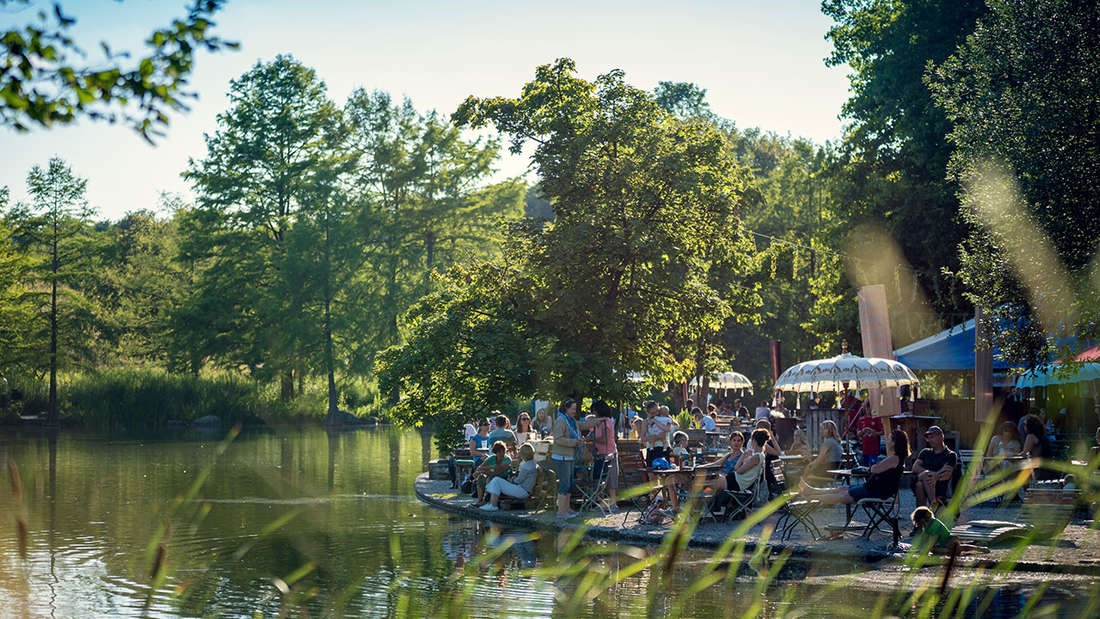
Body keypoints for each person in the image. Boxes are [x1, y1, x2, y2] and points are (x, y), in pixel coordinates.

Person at [799, 429, 910, 505]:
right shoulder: (896, 457)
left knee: (842, 495)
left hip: (876, 491)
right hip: (873, 488)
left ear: (895, 442)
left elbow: (875, 469)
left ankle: (811, 496)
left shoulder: (894, 458)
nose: (887, 441)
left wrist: (874, 467)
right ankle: (812, 490)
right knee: (842, 488)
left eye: (890, 439)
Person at [550, 398, 598, 518]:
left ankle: (567, 508)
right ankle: (561, 512)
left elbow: (583, 425)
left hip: (569, 457)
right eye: (573, 409)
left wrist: (598, 420)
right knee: (565, 484)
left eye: (575, 409)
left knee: (570, 483)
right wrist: (574, 442)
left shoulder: (571, 420)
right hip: (561, 457)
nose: (574, 411)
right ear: (566, 408)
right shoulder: (561, 420)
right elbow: (558, 439)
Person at [480, 443, 538, 511]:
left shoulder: (526, 466)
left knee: (496, 480)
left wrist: (511, 479)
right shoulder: (532, 463)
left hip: (523, 491)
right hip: (525, 490)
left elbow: (518, 481)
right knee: (497, 480)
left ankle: (493, 504)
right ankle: (491, 504)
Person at [912, 426, 958, 508]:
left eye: (932, 437)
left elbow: (947, 474)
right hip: (926, 479)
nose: (929, 440)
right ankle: (933, 504)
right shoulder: (925, 452)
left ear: (941, 437)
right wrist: (932, 474)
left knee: (920, 485)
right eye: (928, 438)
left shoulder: (950, 455)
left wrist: (936, 477)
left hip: (940, 486)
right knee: (925, 476)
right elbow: (915, 467)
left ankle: (921, 515)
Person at [910, 506, 986, 554]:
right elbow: (926, 539)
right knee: (934, 550)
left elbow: (934, 539)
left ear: (923, 519)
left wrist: (925, 550)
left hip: (951, 540)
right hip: (943, 544)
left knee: (961, 548)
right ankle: (950, 552)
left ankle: (979, 548)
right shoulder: (926, 526)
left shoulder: (934, 523)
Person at [590, 399, 620, 510]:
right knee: (598, 479)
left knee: (611, 479)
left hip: (609, 454)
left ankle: (613, 503)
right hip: (599, 454)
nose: (593, 413)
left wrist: (593, 440)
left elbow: (605, 438)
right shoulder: (597, 422)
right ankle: (601, 503)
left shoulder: (606, 421)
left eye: (594, 411)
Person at [473, 441, 512, 506]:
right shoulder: (491, 458)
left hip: (504, 479)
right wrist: (481, 471)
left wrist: (484, 470)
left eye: (503, 451)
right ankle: (479, 500)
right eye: (499, 452)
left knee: (489, 478)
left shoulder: (507, 459)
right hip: (491, 476)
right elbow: (480, 467)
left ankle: (485, 501)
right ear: (495, 452)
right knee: (481, 477)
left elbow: (497, 472)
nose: (501, 453)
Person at [1019, 414, 1056, 480]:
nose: (1023, 426)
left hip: (1037, 469)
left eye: (1025, 424)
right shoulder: (1043, 436)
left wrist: (1011, 455)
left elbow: (1024, 454)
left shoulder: (1031, 436)